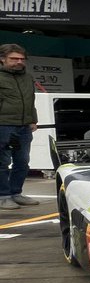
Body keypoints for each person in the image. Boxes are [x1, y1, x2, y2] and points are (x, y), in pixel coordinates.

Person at [0, 43, 38, 211]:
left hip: (23, 125)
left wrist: (33, 120)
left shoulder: (27, 77)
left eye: (22, 59)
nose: (19, 62)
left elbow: (31, 100)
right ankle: (3, 196)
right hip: (3, 125)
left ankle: (16, 193)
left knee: (22, 161)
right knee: (2, 161)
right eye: (14, 58)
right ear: (2, 59)